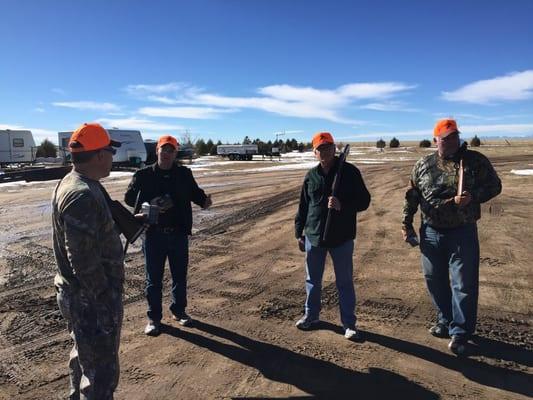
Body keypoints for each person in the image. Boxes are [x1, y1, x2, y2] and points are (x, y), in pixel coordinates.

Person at [402, 118, 502, 355]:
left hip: (462, 231)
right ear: (436, 140)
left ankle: (461, 332)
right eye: (446, 138)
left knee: (463, 284)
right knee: (434, 280)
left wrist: (473, 197)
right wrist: (406, 223)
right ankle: (445, 320)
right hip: (431, 232)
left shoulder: (474, 161)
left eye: (455, 136)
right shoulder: (423, 164)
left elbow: (495, 186)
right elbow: (412, 195)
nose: (451, 141)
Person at [52, 123, 124, 399]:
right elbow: (81, 259)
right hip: (90, 299)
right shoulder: (81, 194)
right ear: (98, 156)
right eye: (109, 151)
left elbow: (89, 238)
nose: (112, 158)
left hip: (82, 296)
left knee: (84, 357)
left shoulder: (78, 183)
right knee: (101, 374)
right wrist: (104, 296)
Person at [125, 135, 212, 336]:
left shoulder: (184, 174)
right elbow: (129, 198)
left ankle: (179, 311)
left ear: (175, 153)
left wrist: (206, 202)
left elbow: (197, 196)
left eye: (171, 150)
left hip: (178, 235)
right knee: (153, 279)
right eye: (163, 149)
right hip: (153, 235)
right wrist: (148, 203)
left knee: (179, 276)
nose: (166, 154)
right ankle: (154, 318)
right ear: (157, 151)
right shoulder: (143, 175)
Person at [294, 132, 371, 340]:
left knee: (344, 282)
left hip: (341, 238)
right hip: (314, 236)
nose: (324, 151)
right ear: (314, 152)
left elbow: (364, 201)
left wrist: (342, 206)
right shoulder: (311, 176)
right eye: (320, 148)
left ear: (334, 148)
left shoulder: (349, 172)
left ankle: (349, 324)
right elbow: (303, 206)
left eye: (328, 147)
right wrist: (299, 232)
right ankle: (311, 316)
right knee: (312, 280)